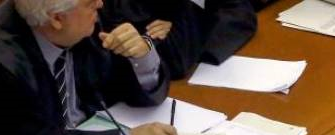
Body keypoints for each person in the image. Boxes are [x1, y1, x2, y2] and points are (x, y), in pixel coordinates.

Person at [0, 0, 177, 135]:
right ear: (57, 19)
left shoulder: (82, 19)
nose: (100, 3)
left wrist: (142, 56)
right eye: (91, 2)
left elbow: (123, 87)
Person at [100, 0, 256, 80]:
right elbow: (175, 60)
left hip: (207, 75)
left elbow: (242, 14)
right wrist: (185, 29)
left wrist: (192, 22)